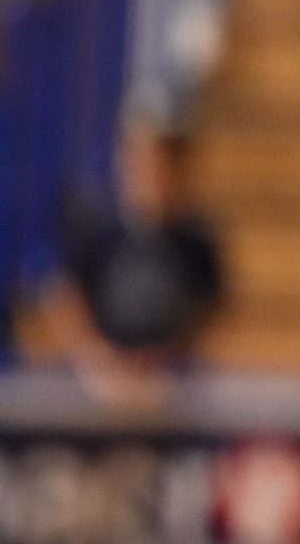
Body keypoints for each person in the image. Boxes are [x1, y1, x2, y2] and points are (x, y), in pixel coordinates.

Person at [41, 109, 228, 402]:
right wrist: (99, 360)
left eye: (163, 168)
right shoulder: (97, 230)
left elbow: (211, 307)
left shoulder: (196, 240)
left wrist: (165, 361)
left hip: (166, 384)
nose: (153, 178)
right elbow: (63, 298)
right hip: (99, 383)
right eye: (144, 166)